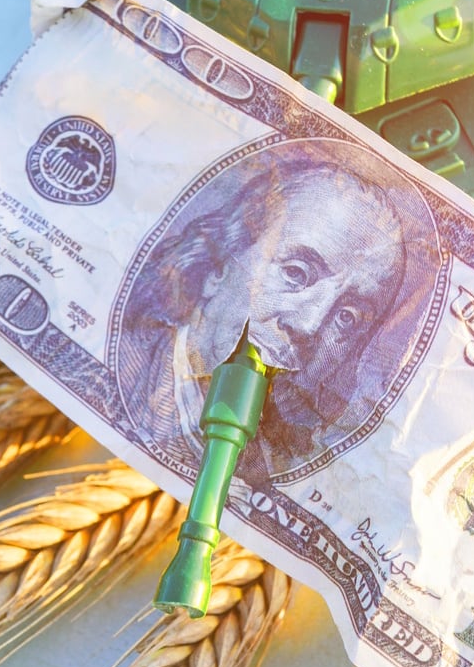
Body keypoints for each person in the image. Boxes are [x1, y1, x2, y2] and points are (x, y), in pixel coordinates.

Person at [117, 154, 415, 476]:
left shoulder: (287, 462)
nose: (308, 325)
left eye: (348, 317)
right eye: (296, 273)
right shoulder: (123, 365)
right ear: (220, 265)